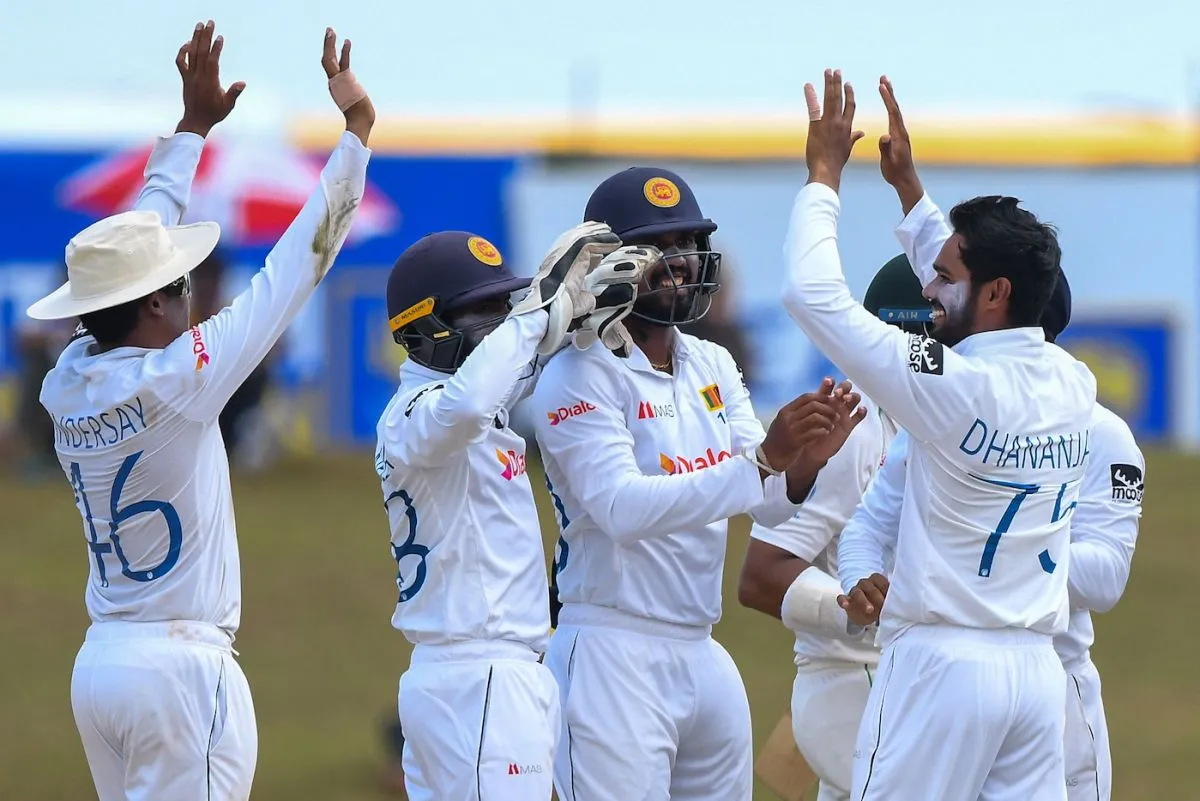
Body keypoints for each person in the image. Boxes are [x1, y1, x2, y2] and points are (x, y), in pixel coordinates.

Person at [27, 22, 375, 801]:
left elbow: (129, 254)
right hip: (182, 670)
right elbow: (297, 268)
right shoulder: (182, 375)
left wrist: (190, 131)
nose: (192, 296)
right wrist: (355, 136)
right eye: (179, 286)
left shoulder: (68, 376)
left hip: (103, 667)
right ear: (153, 304)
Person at [787, 70, 1096, 801]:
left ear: (996, 293)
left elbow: (813, 296)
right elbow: (973, 289)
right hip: (1032, 676)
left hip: (940, 669)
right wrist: (909, 191)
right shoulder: (1071, 384)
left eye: (944, 273)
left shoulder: (948, 386)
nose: (926, 288)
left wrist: (824, 175)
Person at [531, 165, 867, 801]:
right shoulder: (578, 374)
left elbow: (763, 505)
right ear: (606, 259)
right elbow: (621, 508)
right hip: (611, 650)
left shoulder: (712, 362)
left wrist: (801, 465)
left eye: (688, 244)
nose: (680, 261)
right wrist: (762, 461)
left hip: (703, 651)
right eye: (659, 247)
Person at [376, 222, 655, 800]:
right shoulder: (420, 413)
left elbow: (507, 378)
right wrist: (537, 310)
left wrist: (567, 321)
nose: (499, 320)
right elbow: (473, 400)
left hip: (481, 677)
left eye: (502, 304)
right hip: (480, 679)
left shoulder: (455, 406)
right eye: (480, 309)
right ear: (424, 327)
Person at [736, 252, 933, 801]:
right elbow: (761, 575)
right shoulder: (861, 423)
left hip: (893, 681)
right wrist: (853, 609)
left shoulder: (926, 420)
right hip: (854, 680)